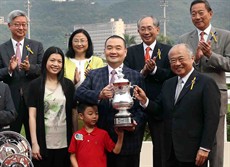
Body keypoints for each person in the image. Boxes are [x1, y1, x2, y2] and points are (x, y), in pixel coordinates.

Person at [134, 43, 220, 167]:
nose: (177, 64)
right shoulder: (168, 84)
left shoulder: (206, 83)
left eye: (181, 59)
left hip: (194, 152)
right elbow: (159, 109)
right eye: (173, 61)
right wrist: (144, 100)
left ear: (192, 58)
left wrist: (205, 148)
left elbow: (212, 119)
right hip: (170, 151)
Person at [75, 35, 146, 167]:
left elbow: (142, 107)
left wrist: (134, 123)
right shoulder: (94, 74)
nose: (113, 51)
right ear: (104, 51)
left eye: (118, 48)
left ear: (125, 52)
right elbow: (79, 93)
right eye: (109, 48)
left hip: (128, 141)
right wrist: (99, 95)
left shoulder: (136, 76)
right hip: (99, 141)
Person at [178, 1, 230, 166]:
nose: (197, 17)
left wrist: (210, 55)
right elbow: (179, 67)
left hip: (215, 97)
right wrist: (196, 59)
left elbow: (229, 64)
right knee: (192, 143)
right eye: (193, 13)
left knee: (215, 144)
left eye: (201, 12)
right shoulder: (184, 39)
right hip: (191, 98)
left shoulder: (225, 36)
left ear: (210, 13)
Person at [124, 15, 174, 167]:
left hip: (159, 105)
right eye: (142, 29)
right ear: (138, 31)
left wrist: (155, 70)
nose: (146, 32)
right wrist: (142, 73)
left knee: (161, 149)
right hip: (135, 107)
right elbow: (126, 76)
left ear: (157, 30)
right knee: (132, 148)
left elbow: (171, 76)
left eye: (149, 28)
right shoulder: (130, 52)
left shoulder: (167, 51)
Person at [27, 46, 76, 167]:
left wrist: (75, 141)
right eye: (52, 60)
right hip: (43, 144)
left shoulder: (68, 85)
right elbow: (32, 116)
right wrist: (34, 143)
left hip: (64, 142)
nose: (56, 64)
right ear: (45, 62)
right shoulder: (35, 85)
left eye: (59, 61)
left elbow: (73, 113)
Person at [0, 10, 44, 141]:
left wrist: (30, 68)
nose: (21, 28)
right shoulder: (2, 49)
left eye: (24, 24)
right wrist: (8, 69)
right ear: (9, 26)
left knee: (35, 138)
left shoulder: (36, 46)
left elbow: (44, 69)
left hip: (32, 99)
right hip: (11, 102)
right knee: (10, 139)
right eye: (17, 24)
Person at [68, 102, 124, 167]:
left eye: (96, 113)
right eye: (90, 114)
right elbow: (72, 156)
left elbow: (116, 151)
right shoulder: (76, 135)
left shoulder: (103, 134)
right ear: (81, 116)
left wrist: (120, 136)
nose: (94, 116)